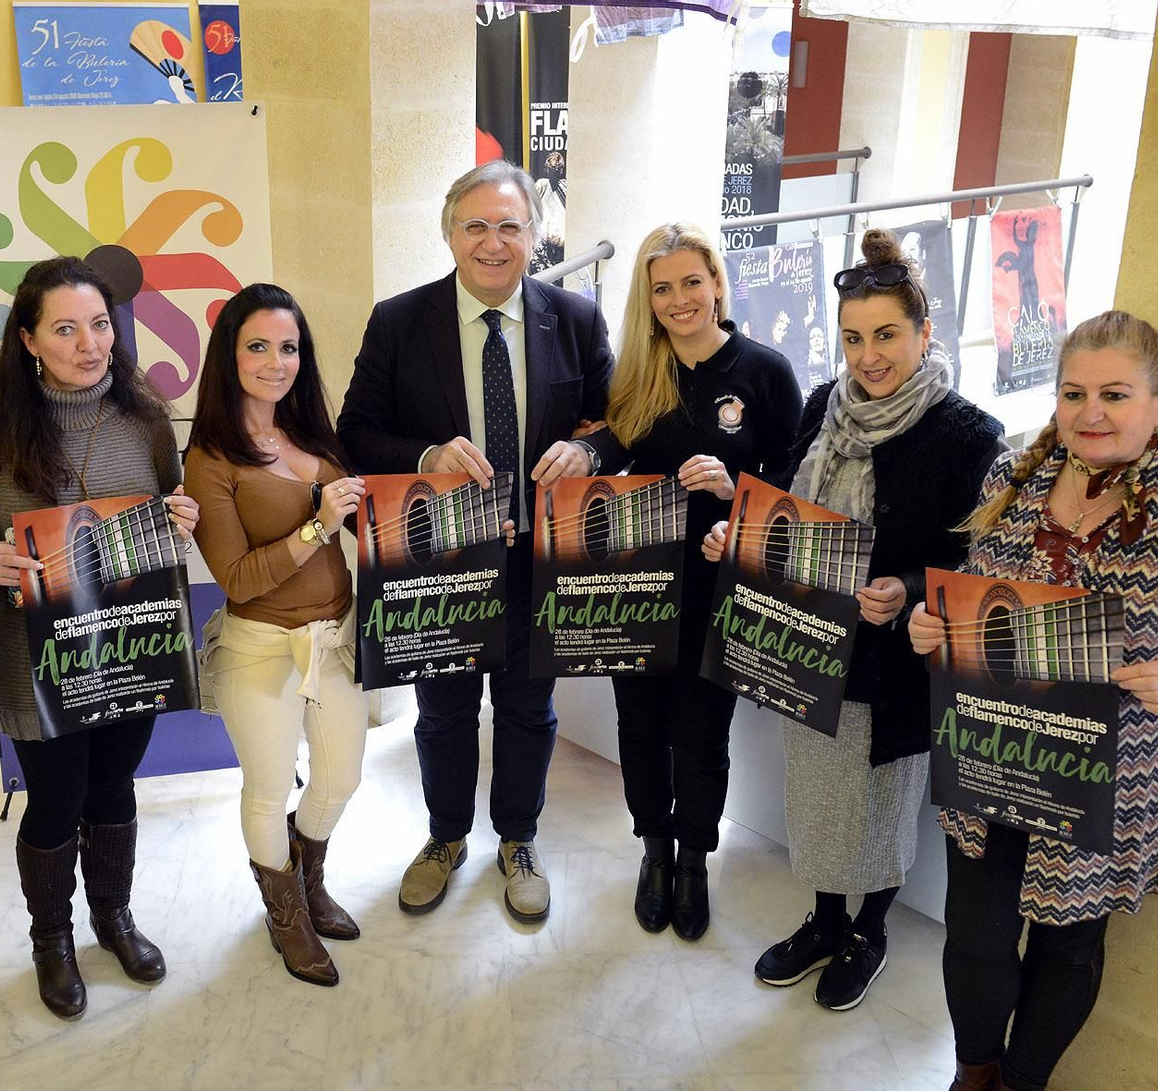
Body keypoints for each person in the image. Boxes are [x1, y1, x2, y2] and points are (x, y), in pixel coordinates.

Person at [908, 311, 1158, 1091]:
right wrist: (934, 625)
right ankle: (974, 1073)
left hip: (1111, 781)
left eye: (1115, 394)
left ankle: (1023, 1081)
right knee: (977, 936)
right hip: (996, 751)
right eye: (1074, 393)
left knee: (1069, 946)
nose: (1091, 412)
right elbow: (976, 595)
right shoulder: (1011, 478)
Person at [703, 228, 1004, 1010]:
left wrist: (907, 587)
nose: (868, 357)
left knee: (880, 805)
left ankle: (869, 931)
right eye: (852, 338)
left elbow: (980, 560)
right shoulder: (822, 406)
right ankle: (825, 919)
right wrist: (738, 534)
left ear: (924, 333)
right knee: (816, 797)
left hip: (895, 663)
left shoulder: (969, 435)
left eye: (887, 335)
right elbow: (784, 501)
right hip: (811, 646)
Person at [337, 159, 624, 923]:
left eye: (509, 226)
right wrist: (425, 457)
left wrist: (590, 452)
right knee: (443, 712)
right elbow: (354, 431)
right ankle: (445, 836)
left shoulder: (576, 319)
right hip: (441, 559)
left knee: (529, 710)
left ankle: (519, 838)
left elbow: (620, 422)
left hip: (539, 557)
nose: (493, 243)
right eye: (476, 226)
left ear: (534, 235)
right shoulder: (399, 321)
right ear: (449, 235)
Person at [0, 255, 199, 1019]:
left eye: (101, 325)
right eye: (66, 329)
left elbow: (170, 504)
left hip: (130, 641)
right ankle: (52, 938)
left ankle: (114, 916)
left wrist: (182, 518)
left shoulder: (146, 418)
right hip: (36, 650)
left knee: (114, 785)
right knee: (55, 797)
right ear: (28, 339)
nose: (90, 344)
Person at [582, 222, 800, 938]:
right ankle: (654, 850)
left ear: (716, 283)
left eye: (691, 282)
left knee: (703, 733)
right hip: (636, 586)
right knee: (640, 726)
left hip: (719, 588)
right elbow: (610, 447)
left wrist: (738, 492)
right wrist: (584, 455)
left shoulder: (765, 372)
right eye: (662, 288)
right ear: (647, 299)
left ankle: (695, 858)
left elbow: (796, 485)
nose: (679, 300)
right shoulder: (635, 374)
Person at [183, 283, 370, 987]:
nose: (275, 362)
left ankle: (302, 873)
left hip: (336, 639)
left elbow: (368, 522)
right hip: (259, 650)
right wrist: (318, 525)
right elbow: (237, 578)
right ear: (229, 356)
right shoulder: (209, 458)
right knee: (266, 790)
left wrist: (458, 525)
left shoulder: (314, 435)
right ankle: (286, 914)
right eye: (257, 346)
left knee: (341, 776)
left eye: (288, 347)